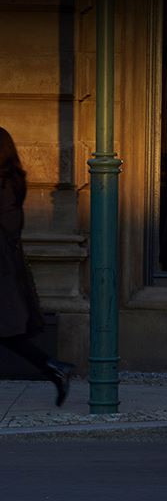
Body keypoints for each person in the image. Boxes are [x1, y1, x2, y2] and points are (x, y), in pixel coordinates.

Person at [0, 126, 74, 406]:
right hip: (7, 264)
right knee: (7, 333)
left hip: (3, 266)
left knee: (8, 331)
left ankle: (54, 366)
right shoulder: (12, 181)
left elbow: (8, 225)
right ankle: (54, 367)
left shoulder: (4, 184)